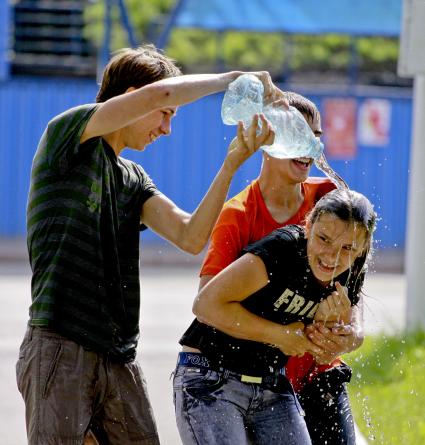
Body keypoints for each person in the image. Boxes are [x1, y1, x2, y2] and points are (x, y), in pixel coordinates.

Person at [16, 44, 277, 445]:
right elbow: (161, 93)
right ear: (132, 97)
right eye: (166, 115)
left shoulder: (133, 179)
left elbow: (190, 237)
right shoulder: (66, 136)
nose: (167, 128)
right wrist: (232, 80)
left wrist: (231, 165)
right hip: (60, 346)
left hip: (118, 356)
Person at [179, 92, 365, 444]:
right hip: (248, 374)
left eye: (316, 136)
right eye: (297, 132)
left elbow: (352, 294)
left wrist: (350, 334)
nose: (309, 144)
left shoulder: (331, 198)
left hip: (312, 375)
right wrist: (281, 336)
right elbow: (208, 307)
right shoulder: (238, 217)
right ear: (266, 139)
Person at [173, 188, 376, 445]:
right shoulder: (281, 251)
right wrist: (280, 335)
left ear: (362, 249)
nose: (331, 256)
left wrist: (330, 336)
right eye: (323, 239)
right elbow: (205, 306)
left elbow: (340, 338)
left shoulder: (352, 269)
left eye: (347, 248)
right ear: (308, 225)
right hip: (211, 374)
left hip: (271, 382)